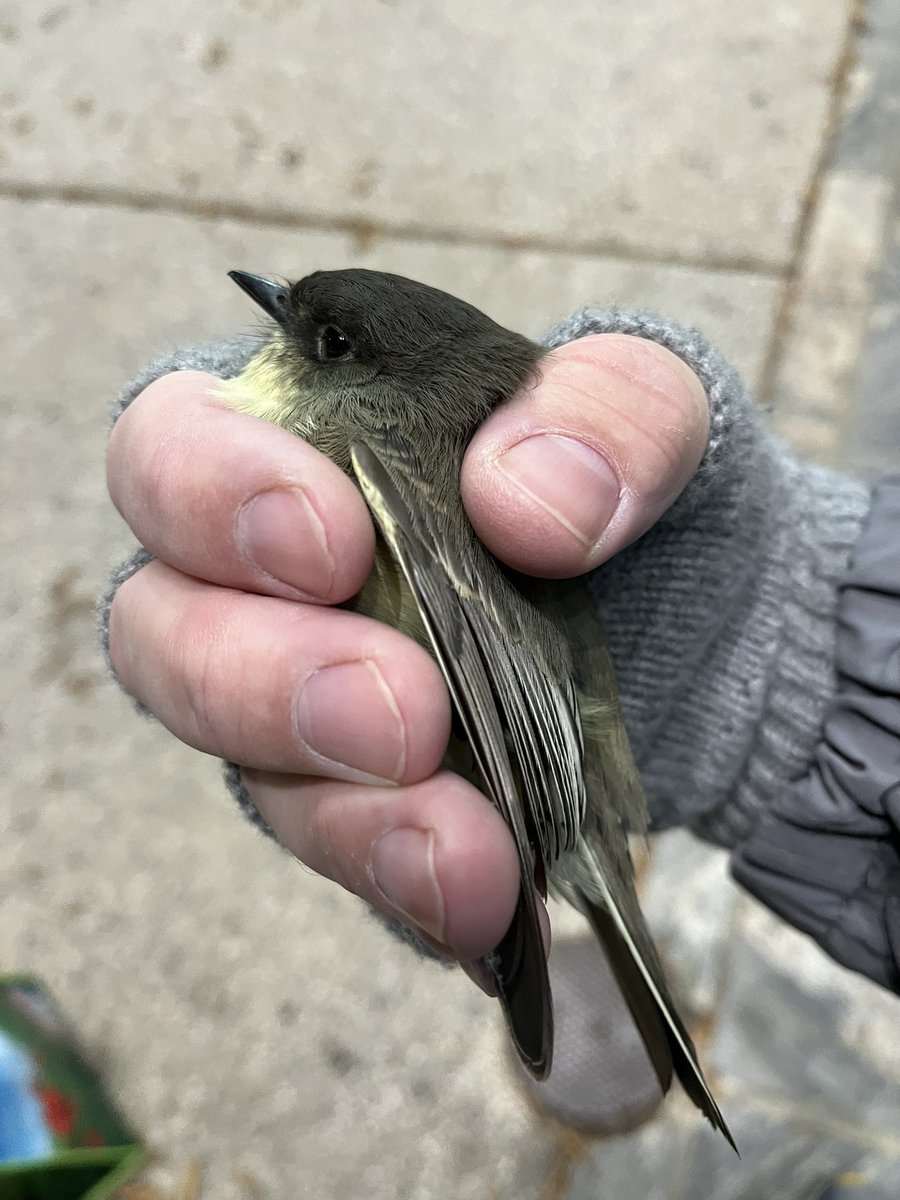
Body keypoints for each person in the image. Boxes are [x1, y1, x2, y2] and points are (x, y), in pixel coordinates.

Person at [100, 302, 900, 1125]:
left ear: (362, 372)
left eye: (329, 339)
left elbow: (483, 649)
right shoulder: (359, 424)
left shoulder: (374, 431)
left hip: (533, 751)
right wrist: (783, 620)